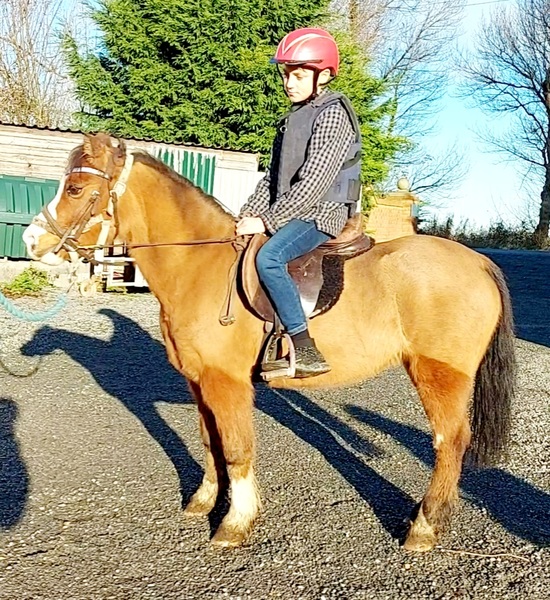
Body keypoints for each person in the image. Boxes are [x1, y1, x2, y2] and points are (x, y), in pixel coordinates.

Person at [236, 27, 362, 378]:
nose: (290, 82)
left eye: (300, 73)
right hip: (296, 209)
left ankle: (304, 347)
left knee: (270, 256)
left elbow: (312, 184)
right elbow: (273, 181)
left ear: (323, 76)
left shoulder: (332, 114)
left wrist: (266, 223)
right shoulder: (292, 119)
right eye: (288, 73)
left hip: (323, 213)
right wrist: (248, 213)